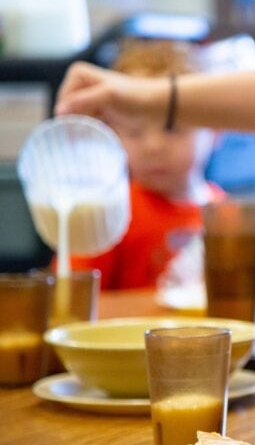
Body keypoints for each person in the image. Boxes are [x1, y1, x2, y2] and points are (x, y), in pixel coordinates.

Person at [67, 39, 225, 290]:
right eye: (134, 132)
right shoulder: (105, 214)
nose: (153, 146)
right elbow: (73, 299)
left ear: (216, 131)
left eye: (172, 129)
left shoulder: (230, 215)